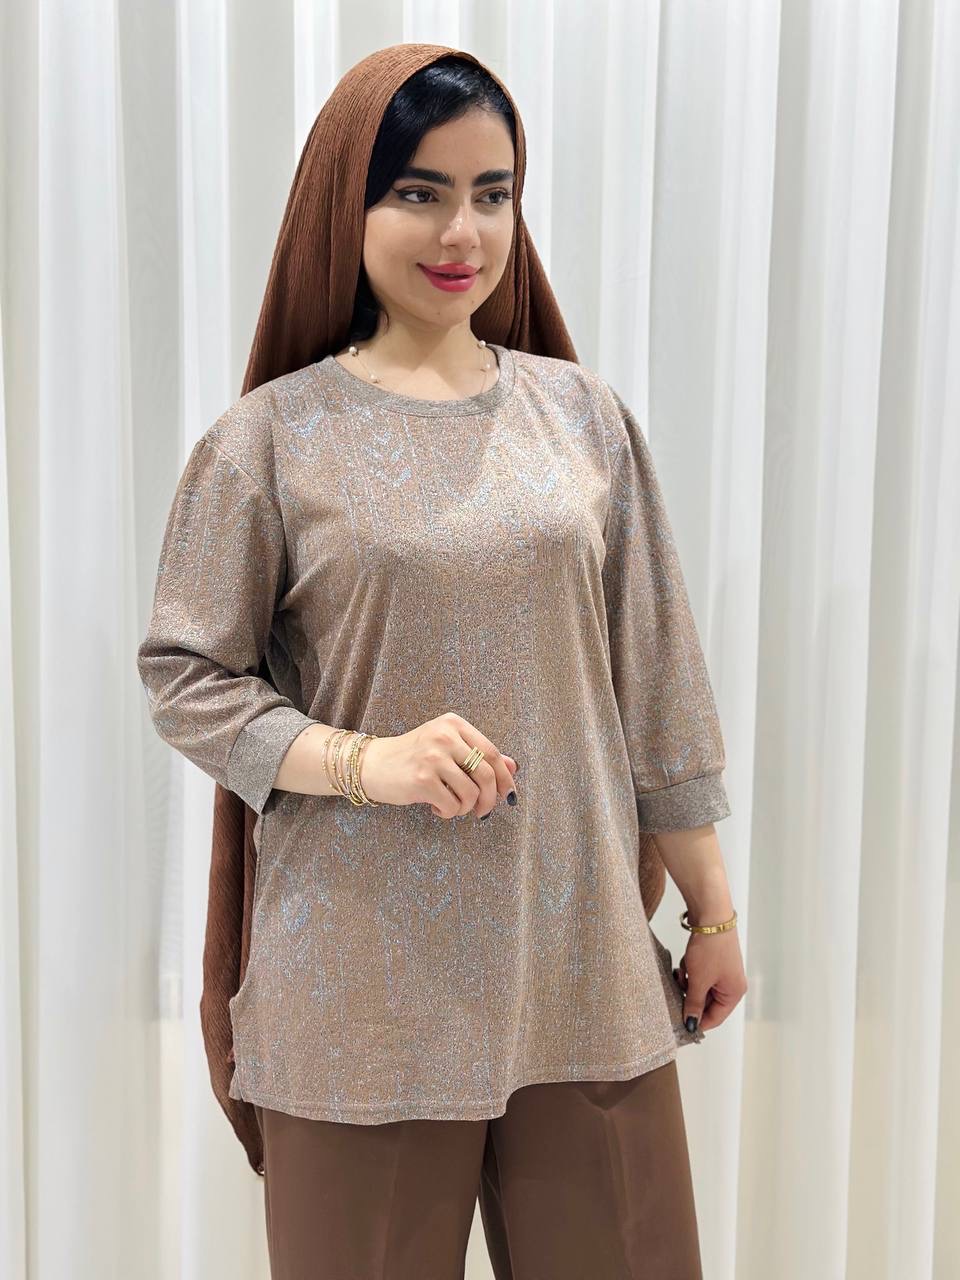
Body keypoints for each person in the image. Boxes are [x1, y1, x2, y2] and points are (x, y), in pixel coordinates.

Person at [137, 42, 746, 1280]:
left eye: (492, 191)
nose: (461, 230)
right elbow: (186, 675)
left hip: (580, 974)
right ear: (345, 205)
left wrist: (714, 910)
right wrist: (367, 761)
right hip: (360, 995)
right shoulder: (269, 441)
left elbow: (658, 682)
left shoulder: (585, 421)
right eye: (418, 191)